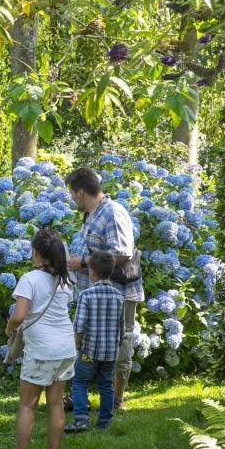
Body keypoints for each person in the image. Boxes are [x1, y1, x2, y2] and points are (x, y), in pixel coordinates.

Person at [65, 167, 143, 410]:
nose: (71, 198)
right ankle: (82, 395)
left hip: (117, 294)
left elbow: (122, 253)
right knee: (88, 343)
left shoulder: (112, 212)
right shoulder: (93, 213)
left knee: (120, 344)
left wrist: (84, 262)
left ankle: (117, 400)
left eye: (71, 193)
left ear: (79, 193)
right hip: (93, 293)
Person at [2, 228, 76, 449]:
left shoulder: (30, 279)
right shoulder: (66, 280)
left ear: (35, 252)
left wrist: (9, 329)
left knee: (27, 406)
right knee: (55, 404)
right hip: (65, 347)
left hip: (42, 350)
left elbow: (19, 315)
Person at [67, 251, 124, 433]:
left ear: (91, 272)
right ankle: (104, 422)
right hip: (110, 353)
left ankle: (81, 420)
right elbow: (122, 326)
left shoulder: (86, 295)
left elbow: (80, 325)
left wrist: (77, 346)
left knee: (80, 382)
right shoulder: (118, 296)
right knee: (106, 384)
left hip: (88, 352)